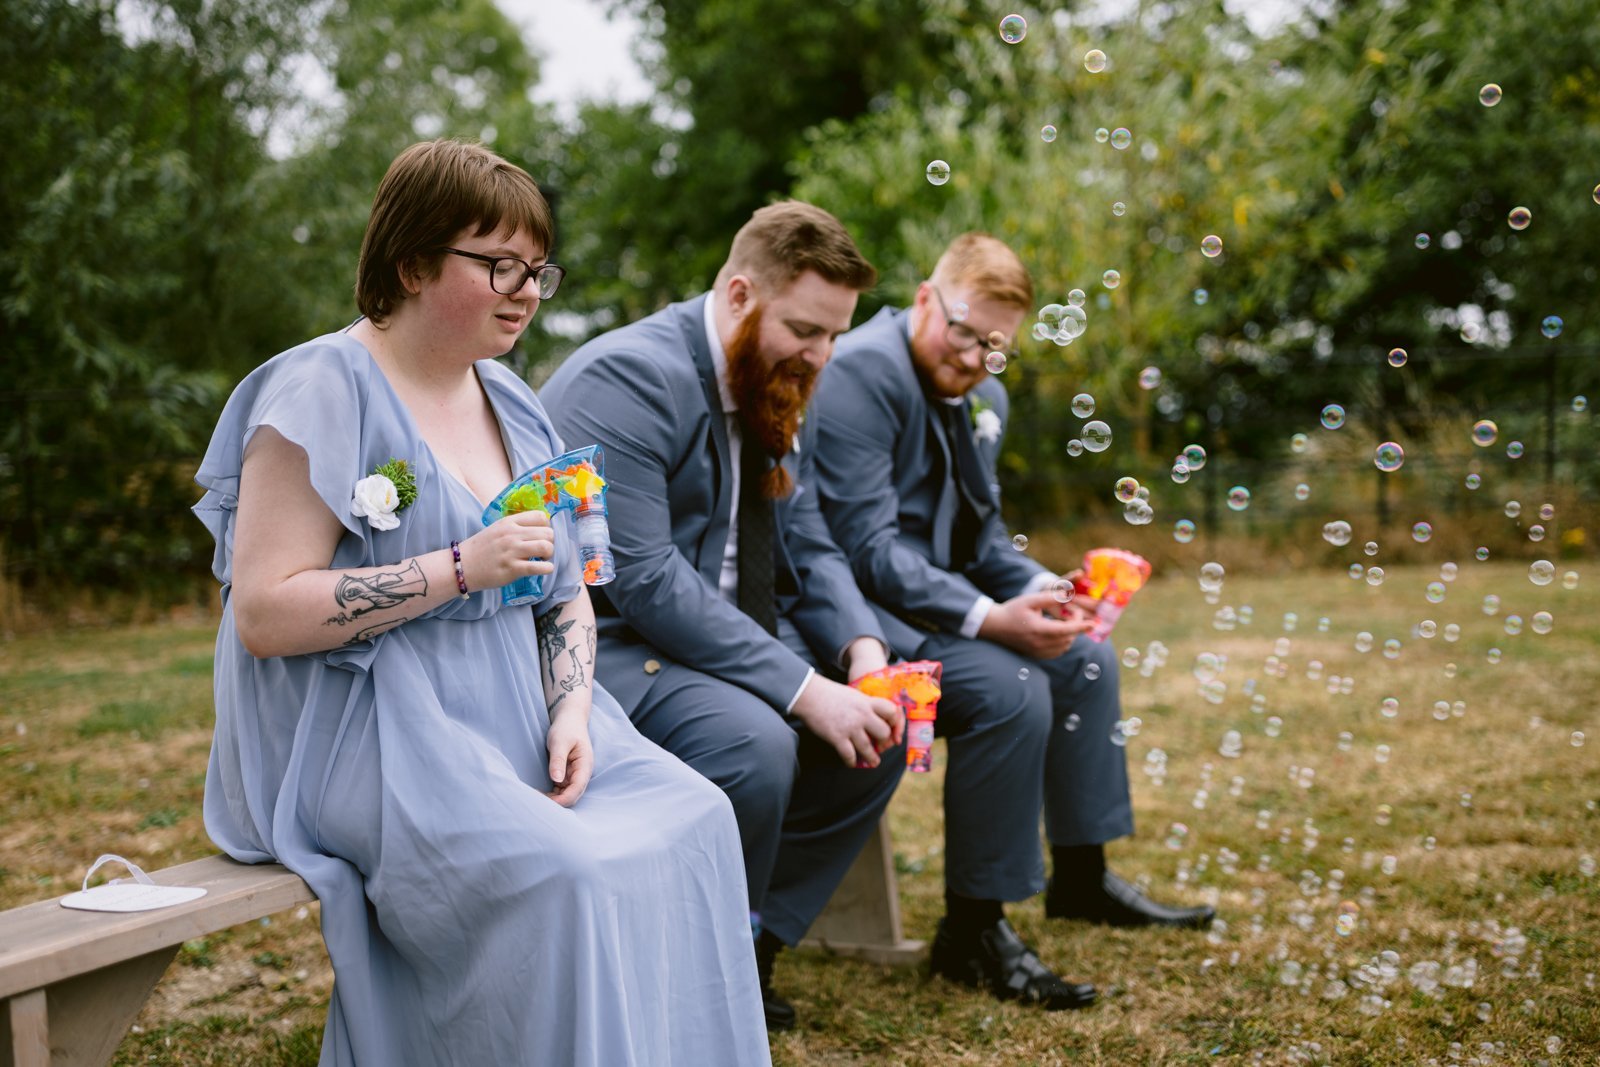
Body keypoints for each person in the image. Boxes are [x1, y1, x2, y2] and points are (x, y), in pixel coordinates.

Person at [192, 139, 770, 1066]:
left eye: (537, 267)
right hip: (365, 726)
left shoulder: (517, 404)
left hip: (515, 709)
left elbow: (569, 592)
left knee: (698, 820)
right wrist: (457, 567)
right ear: (414, 262)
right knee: (570, 875)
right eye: (499, 264)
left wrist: (574, 705)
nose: (528, 288)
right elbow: (263, 612)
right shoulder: (319, 390)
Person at [811, 232, 1215, 1009]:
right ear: (927, 298)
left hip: (944, 602)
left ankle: (1082, 877)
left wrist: (1044, 589)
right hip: (859, 616)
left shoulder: (983, 396)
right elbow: (867, 549)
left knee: (1085, 658)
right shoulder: (861, 371)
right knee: (1012, 686)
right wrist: (993, 617)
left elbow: (981, 538)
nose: (975, 360)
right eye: (965, 334)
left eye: (997, 348)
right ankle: (973, 926)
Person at [539, 201, 907, 1031]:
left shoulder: (770, 373)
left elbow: (804, 534)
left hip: (728, 627)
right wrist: (805, 688)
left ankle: (749, 945)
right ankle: (692, 966)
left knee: (878, 731)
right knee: (758, 743)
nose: (823, 356)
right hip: (604, 642)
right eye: (808, 330)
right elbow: (645, 579)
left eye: (835, 336)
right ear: (741, 294)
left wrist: (862, 649)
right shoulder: (629, 378)